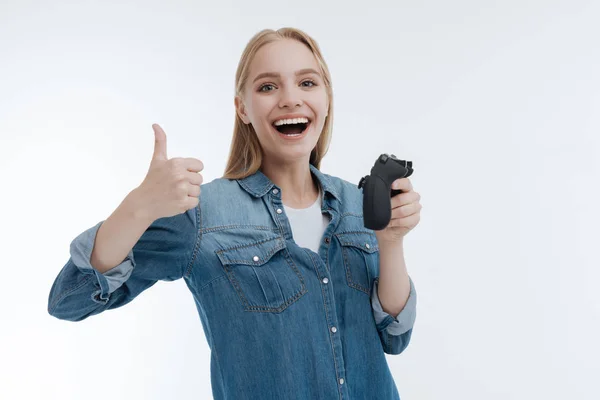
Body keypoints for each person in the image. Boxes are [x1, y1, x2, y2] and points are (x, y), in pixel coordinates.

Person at [48, 27, 422, 400]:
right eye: (268, 87)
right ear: (242, 108)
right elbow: (70, 299)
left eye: (307, 83)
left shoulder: (356, 204)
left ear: (326, 98)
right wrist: (139, 206)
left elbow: (394, 336)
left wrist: (390, 242)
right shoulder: (202, 216)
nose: (291, 99)